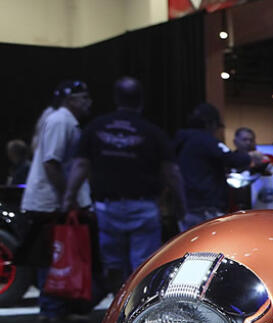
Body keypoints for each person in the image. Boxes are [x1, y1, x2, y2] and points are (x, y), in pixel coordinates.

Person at [62, 77, 186, 292]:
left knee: (113, 265)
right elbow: (171, 172)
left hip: (107, 207)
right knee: (143, 266)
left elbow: (80, 165)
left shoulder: (96, 127)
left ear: (116, 99)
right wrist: (182, 205)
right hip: (143, 207)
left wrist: (68, 198)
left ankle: (115, 309)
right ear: (141, 101)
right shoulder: (152, 131)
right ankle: (135, 313)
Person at [19, 79, 93, 323]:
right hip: (48, 201)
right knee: (55, 254)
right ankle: (51, 309)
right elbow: (51, 163)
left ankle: (55, 307)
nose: (87, 102)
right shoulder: (61, 121)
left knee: (55, 254)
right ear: (70, 100)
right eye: (83, 98)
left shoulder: (62, 120)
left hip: (50, 200)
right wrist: (68, 196)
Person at [174, 102, 249, 229]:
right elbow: (233, 159)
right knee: (210, 247)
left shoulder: (180, 141)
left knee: (189, 246)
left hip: (186, 206)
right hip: (206, 207)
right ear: (211, 124)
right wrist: (251, 157)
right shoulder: (207, 141)